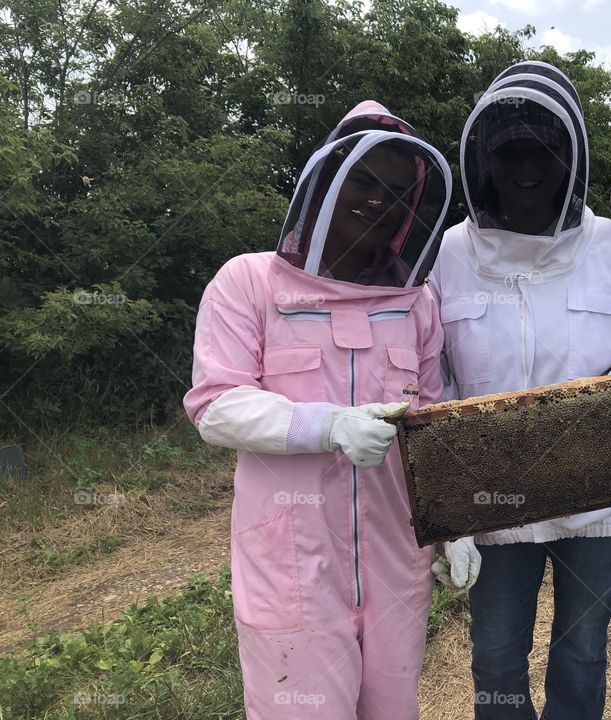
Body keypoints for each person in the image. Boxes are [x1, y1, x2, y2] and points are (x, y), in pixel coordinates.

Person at [183, 101, 478, 720]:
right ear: (324, 182)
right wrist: (328, 425)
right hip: (291, 561)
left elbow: (431, 421)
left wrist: (452, 524)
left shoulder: (416, 302)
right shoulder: (248, 282)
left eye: (396, 193)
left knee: (392, 710)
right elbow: (216, 406)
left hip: (397, 558)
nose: (377, 201)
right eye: (362, 181)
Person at [429, 61, 611, 720]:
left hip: (598, 489)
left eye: (543, 150)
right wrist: (446, 506)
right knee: (495, 654)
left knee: (582, 647)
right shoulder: (450, 253)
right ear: (483, 161)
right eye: (509, 151)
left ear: (570, 158)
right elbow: (433, 374)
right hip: (492, 496)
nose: (526, 165)